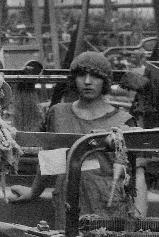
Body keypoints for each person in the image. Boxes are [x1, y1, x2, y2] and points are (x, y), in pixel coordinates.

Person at [11, 51, 135, 227]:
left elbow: (138, 175)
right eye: (81, 75)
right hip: (69, 204)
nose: (87, 81)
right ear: (73, 79)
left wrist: (138, 227)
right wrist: (33, 192)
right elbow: (51, 160)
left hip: (109, 206)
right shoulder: (59, 113)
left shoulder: (123, 121)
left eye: (95, 76)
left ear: (105, 82)